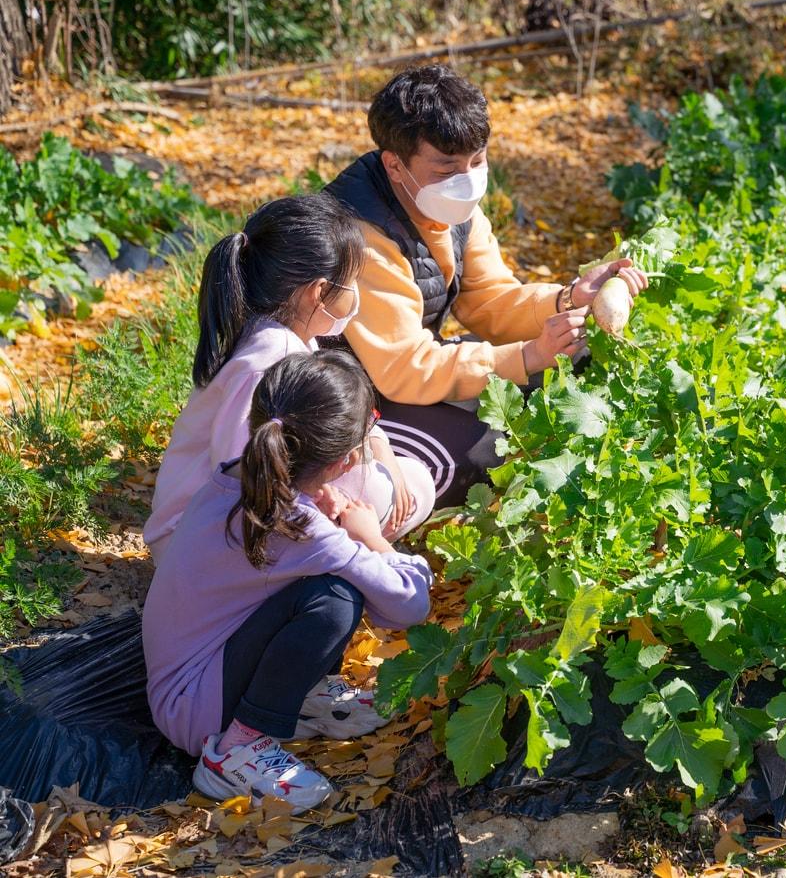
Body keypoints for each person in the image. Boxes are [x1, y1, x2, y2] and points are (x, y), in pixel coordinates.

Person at [323, 64, 646, 506]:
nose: (468, 179)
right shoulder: (359, 235)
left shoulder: (453, 208)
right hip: (345, 397)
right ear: (395, 166)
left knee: (575, 357)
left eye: (477, 161)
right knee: (488, 447)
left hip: (402, 374)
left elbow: (489, 301)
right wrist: (527, 356)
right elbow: (403, 368)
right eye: (447, 168)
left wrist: (568, 298)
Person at [144, 352, 434, 813]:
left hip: (186, 686)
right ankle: (237, 748)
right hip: (197, 710)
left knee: (328, 582)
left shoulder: (242, 481)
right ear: (347, 461)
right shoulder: (297, 526)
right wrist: (373, 538)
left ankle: (299, 696)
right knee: (336, 599)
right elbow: (410, 606)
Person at [143, 195, 436, 567]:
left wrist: (381, 450)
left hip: (216, 529)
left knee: (401, 478)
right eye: (351, 283)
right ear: (318, 291)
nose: (355, 296)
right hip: (198, 544)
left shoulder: (289, 336)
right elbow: (239, 476)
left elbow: (342, 420)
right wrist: (327, 505)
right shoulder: (264, 363)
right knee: (382, 492)